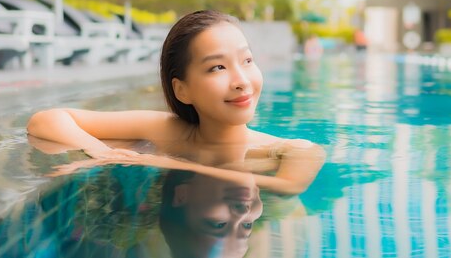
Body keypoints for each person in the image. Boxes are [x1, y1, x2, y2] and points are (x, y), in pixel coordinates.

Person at [27, 10, 325, 195]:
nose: (241, 80)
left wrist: (165, 163)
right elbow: (45, 120)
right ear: (182, 90)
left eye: (247, 60)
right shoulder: (166, 130)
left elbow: (288, 187)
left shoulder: (286, 150)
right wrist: (100, 150)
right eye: (217, 67)